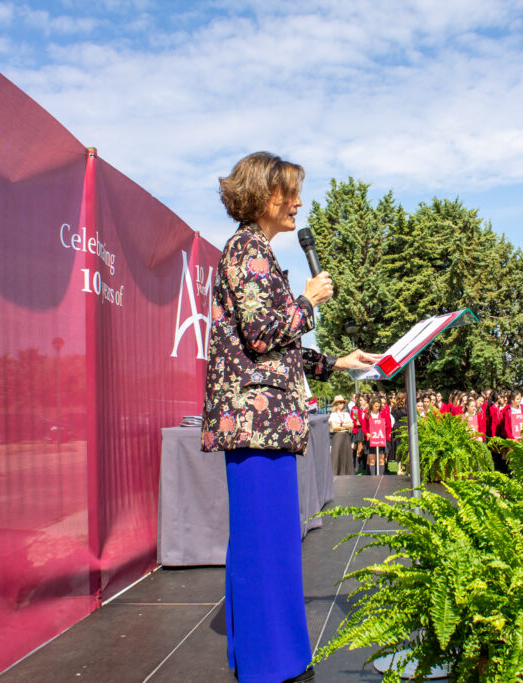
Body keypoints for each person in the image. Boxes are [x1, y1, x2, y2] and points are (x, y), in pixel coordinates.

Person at [201, 152, 379, 683]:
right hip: (256, 423)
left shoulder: (253, 252)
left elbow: (269, 347)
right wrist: (306, 300)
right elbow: (261, 333)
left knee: (264, 542)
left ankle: (262, 655)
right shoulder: (246, 251)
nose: (299, 202)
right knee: (266, 546)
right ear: (265, 195)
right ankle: (271, 664)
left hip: (263, 419)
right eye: (291, 193)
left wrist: (334, 361)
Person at [328, 395, 354, 475]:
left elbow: (351, 425)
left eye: (343, 403)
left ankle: (346, 472)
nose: (342, 405)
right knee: (337, 454)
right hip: (338, 436)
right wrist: (344, 425)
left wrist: (340, 425)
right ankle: (335, 472)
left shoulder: (346, 414)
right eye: (340, 403)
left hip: (346, 435)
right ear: (336, 404)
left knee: (346, 455)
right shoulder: (333, 415)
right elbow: (334, 427)